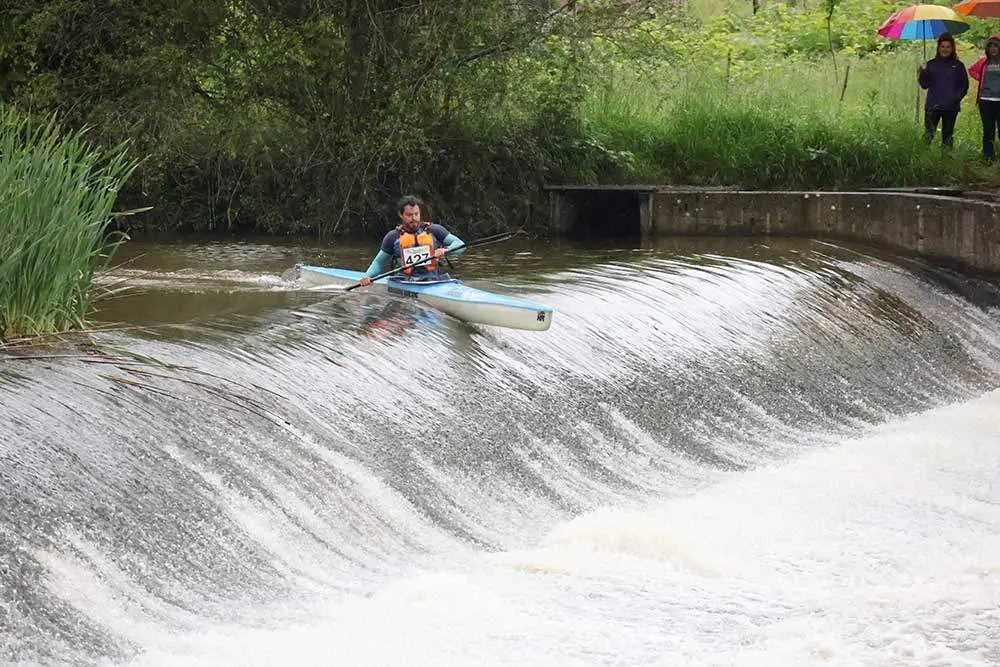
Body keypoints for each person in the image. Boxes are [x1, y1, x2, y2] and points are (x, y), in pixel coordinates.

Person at [358, 195, 465, 286]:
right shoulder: (392, 237)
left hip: (432, 282)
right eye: (409, 215)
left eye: (416, 214)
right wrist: (367, 277)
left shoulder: (435, 230)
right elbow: (378, 263)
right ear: (401, 215)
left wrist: (446, 250)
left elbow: (460, 245)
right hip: (405, 283)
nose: (414, 218)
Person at [918, 32, 968, 149]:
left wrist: (955, 99)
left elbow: (964, 86)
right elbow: (925, 85)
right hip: (932, 106)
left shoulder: (958, 65)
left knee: (948, 137)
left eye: (948, 47)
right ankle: (921, 161)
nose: (945, 49)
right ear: (938, 48)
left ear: (952, 48)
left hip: (951, 107)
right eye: (942, 46)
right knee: (928, 136)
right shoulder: (930, 64)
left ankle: (947, 163)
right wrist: (923, 71)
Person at [969, 34, 1000, 161]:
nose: (993, 49)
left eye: (996, 46)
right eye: (991, 46)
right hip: (985, 101)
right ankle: (988, 157)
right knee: (988, 130)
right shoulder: (983, 62)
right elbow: (971, 70)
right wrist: (982, 79)